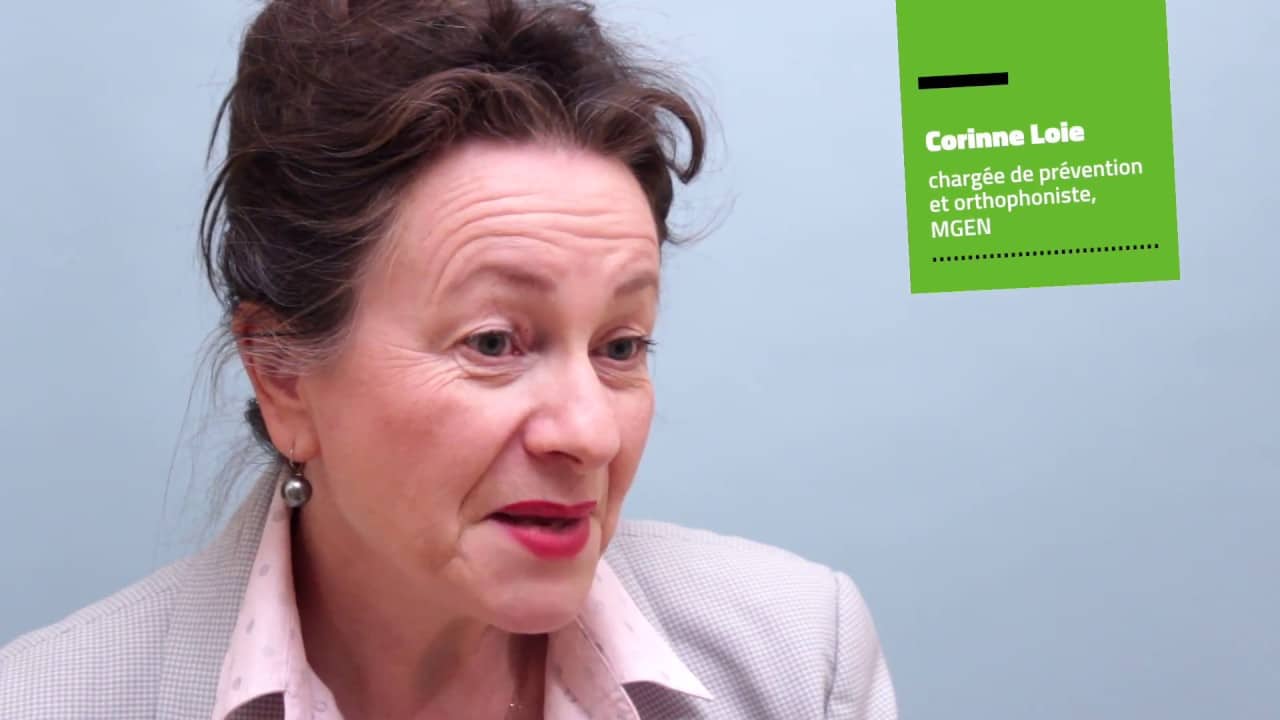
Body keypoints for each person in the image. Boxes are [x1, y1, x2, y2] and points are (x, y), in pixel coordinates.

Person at [0, 1, 897, 717]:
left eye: (620, 346)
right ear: (282, 375)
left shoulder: (796, 665)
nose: (589, 433)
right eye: (494, 343)